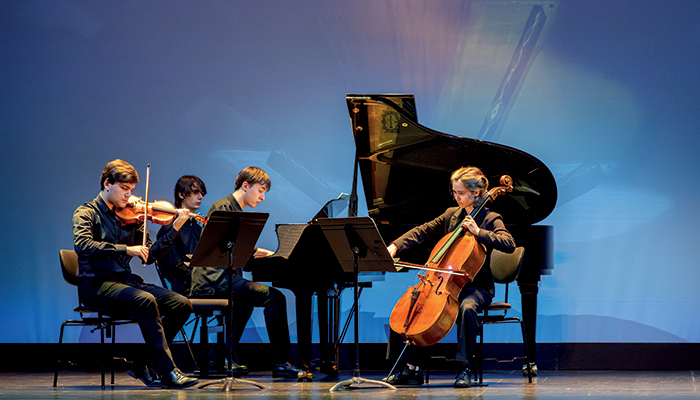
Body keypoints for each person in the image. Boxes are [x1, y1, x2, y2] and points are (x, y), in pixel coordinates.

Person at [72, 159, 199, 389]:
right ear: (107, 184)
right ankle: (168, 371)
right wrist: (125, 249)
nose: (129, 196)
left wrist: (175, 228)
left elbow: (151, 256)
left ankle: (142, 363)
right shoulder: (86, 212)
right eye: (124, 189)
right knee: (145, 301)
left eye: (131, 190)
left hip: (125, 283)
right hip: (96, 285)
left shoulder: (133, 216)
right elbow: (83, 245)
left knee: (182, 304)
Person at [384, 166, 515, 388]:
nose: (457, 197)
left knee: (467, 308)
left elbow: (509, 243)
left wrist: (479, 232)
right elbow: (421, 231)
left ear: (476, 192)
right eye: (454, 192)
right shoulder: (451, 215)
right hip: (442, 283)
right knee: (413, 306)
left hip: (477, 288)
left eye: (461, 193)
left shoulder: (490, 217)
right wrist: (395, 245)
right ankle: (411, 369)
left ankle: (464, 369)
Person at [190, 166, 306, 379]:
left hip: (222, 277)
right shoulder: (223, 207)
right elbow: (223, 247)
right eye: (260, 190)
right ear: (245, 186)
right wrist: (263, 252)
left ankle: (220, 355)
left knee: (246, 303)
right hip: (212, 280)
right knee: (275, 298)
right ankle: (281, 361)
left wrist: (264, 254)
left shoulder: (233, 209)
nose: (262, 197)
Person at [156, 175, 207, 297]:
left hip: (201, 283)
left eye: (201, 193)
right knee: (237, 294)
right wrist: (206, 278)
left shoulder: (198, 228)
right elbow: (174, 268)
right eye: (195, 192)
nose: (200, 197)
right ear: (181, 194)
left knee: (240, 293)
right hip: (184, 287)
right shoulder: (169, 228)